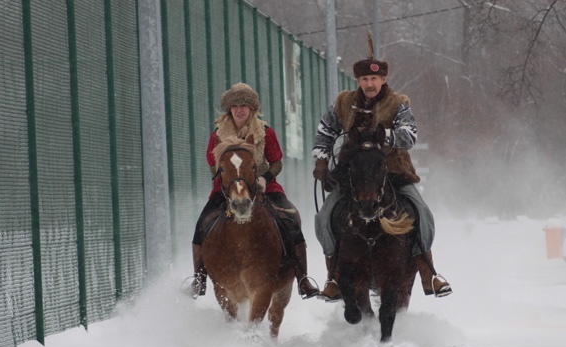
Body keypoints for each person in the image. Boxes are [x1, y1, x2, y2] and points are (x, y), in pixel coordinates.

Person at [312, 35, 453, 301]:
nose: (369, 84)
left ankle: (428, 271)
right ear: (358, 81)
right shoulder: (343, 102)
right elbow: (325, 131)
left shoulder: (398, 103)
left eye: (374, 79)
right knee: (324, 217)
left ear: (383, 79)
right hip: (354, 178)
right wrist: (321, 160)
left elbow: (409, 135)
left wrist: (383, 137)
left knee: (421, 212)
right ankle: (332, 276)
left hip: (395, 173)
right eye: (364, 80)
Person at [189, 82, 320, 300]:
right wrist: (228, 179)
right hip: (226, 190)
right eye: (235, 106)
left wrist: (263, 178)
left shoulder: (266, 132)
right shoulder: (218, 135)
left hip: (264, 188)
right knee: (202, 224)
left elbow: (277, 162)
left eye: (244, 105)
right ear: (229, 109)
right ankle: (199, 277)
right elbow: (212, 163)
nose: (239, 110)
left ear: (252, 109)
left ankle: (302, 278)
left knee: (291, 218)